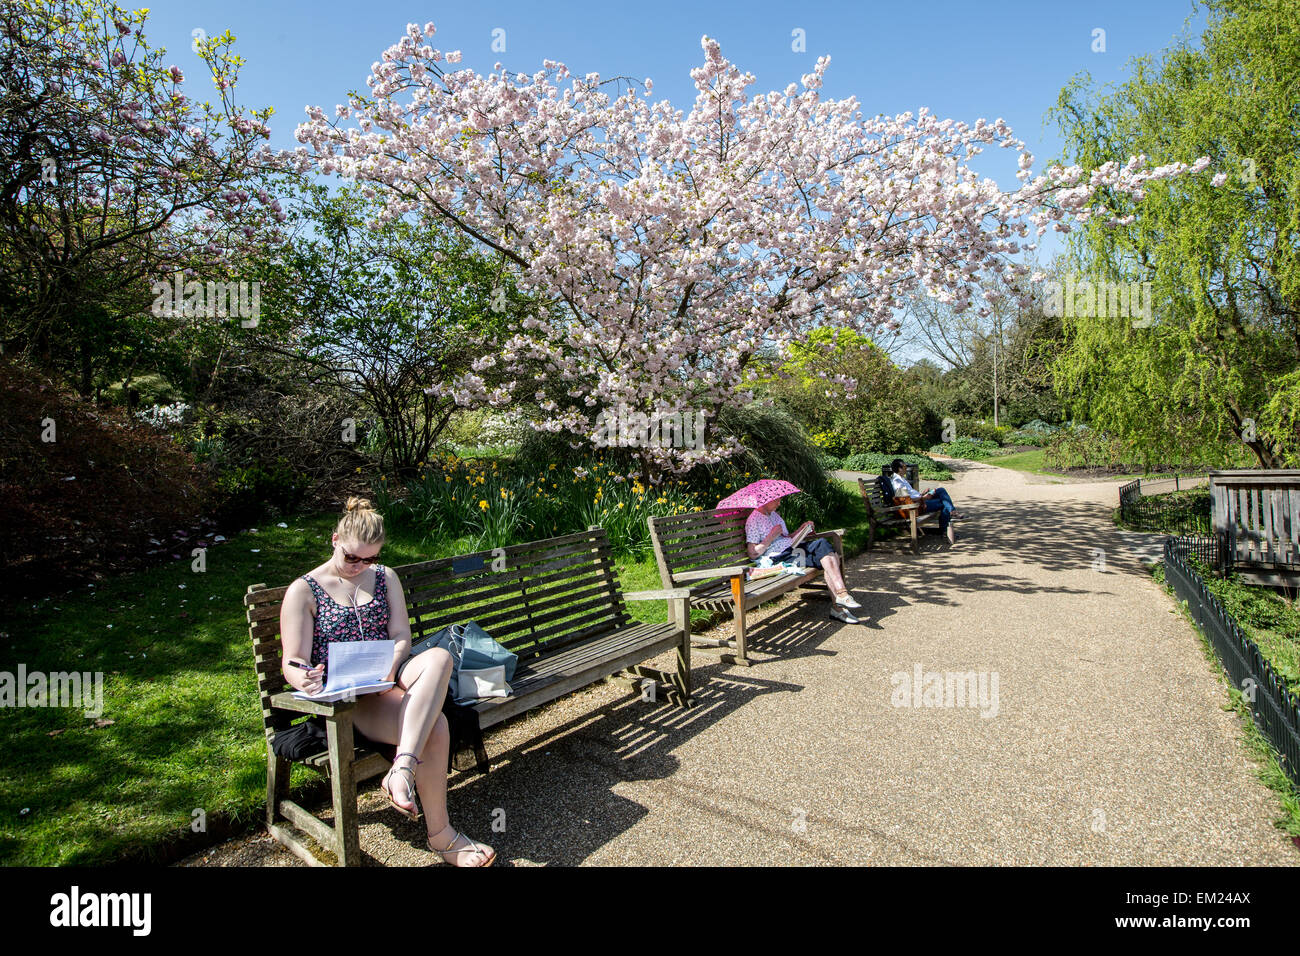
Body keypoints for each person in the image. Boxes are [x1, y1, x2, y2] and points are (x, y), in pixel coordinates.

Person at [279, 497, 495, 866]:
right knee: (437, 724)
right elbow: (292, 661)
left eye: (370, 558)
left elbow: (401, 638)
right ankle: (441, 837)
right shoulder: (305, 590)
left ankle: (402, 769)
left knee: (440, 657)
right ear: (334, 540)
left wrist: (390, 668)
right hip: (348, 697)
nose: (360, 566)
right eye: (352, 558)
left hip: (387, 674)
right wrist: (304, 676)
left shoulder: (385, 578)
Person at [744, 495, 862, 619]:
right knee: (829, 556)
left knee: (826, 551)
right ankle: (840, 602)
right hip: (780, 557)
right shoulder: (753, 520)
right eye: (776, 500)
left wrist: (802, 529)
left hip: (792, 549)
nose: (779, 503)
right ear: (765, 499)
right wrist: (771, 536)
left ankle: (841, 600)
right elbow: (753, 553)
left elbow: (787, 537)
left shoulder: (774, 515)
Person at [889, 459, 965, 544]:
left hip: (919, 500)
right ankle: (948, 523)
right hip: (915, 506)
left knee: (940, 491)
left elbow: (910, 494)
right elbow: (905, 499)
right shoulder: (897, 482)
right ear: (899, 469)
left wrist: (922, 494)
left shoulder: (901, 479)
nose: (906, 468)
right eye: (904, 466)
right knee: (943, 503)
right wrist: (923, 498)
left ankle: (951, 514)